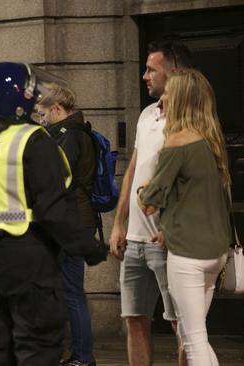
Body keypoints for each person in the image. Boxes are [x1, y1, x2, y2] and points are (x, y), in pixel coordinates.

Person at [0, 62, 107, 365]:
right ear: (23, 97)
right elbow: (53, 211)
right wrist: (88, 247)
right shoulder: (33, 140)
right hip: (25, 259)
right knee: (36, 346)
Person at [108, 40, 193, 366]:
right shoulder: (147, 114)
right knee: (134, 317)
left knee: (181, 323)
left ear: (174, 72)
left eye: (150, 69)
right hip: (136, 240)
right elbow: (134, 168)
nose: (144, 76)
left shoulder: (191, 118)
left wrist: (176, 226)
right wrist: (119, 223)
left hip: (170, 240)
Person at [138, 69, 230, 366]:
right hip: (215, 252)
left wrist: (143, 189)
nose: (162, 99)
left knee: (192, 339)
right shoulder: (211, 141)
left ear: (180, 99)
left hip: (187, 253)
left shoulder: (177, 142)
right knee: (196, 336)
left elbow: (150, 202)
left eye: (168, 93)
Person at [36, 82, 97, 366]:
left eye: (43, 113)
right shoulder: (73, 132)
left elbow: (57, 179)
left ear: (57, 108)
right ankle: (76, 354)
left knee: (72, 293)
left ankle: (83, 358)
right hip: (74, 219)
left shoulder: (68, 135)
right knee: (67, 291)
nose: (41, 119)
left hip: (73, 222)